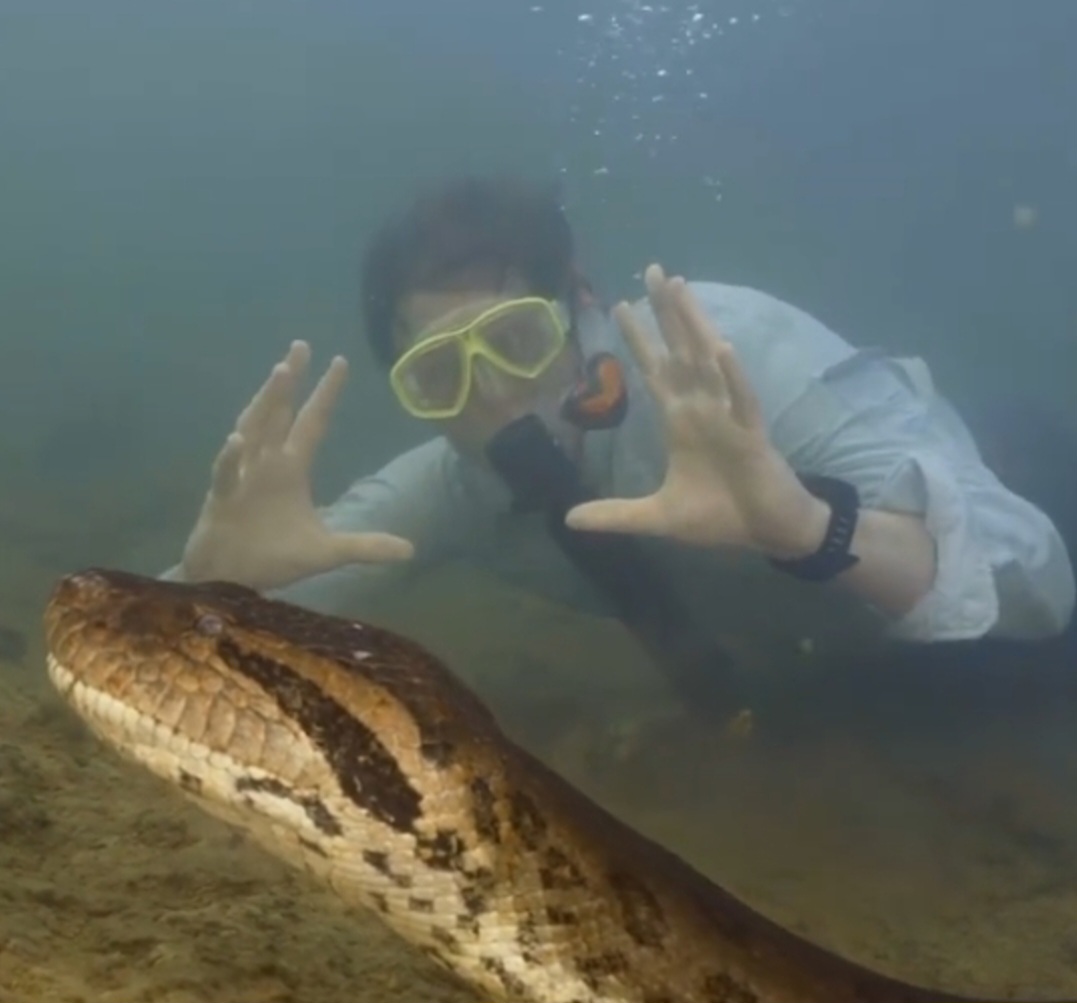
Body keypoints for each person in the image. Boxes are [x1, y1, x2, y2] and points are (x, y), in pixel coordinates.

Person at [163, 175, 1075, 692]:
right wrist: (200, 591)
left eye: (518, 340)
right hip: (838, 677)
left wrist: (808, 524)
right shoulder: (454, 486)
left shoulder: (726, 361)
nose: (495, 400)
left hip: (1015, 516)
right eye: (440, 374)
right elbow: (171, 628)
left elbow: (1037, 588)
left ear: (583, 306)